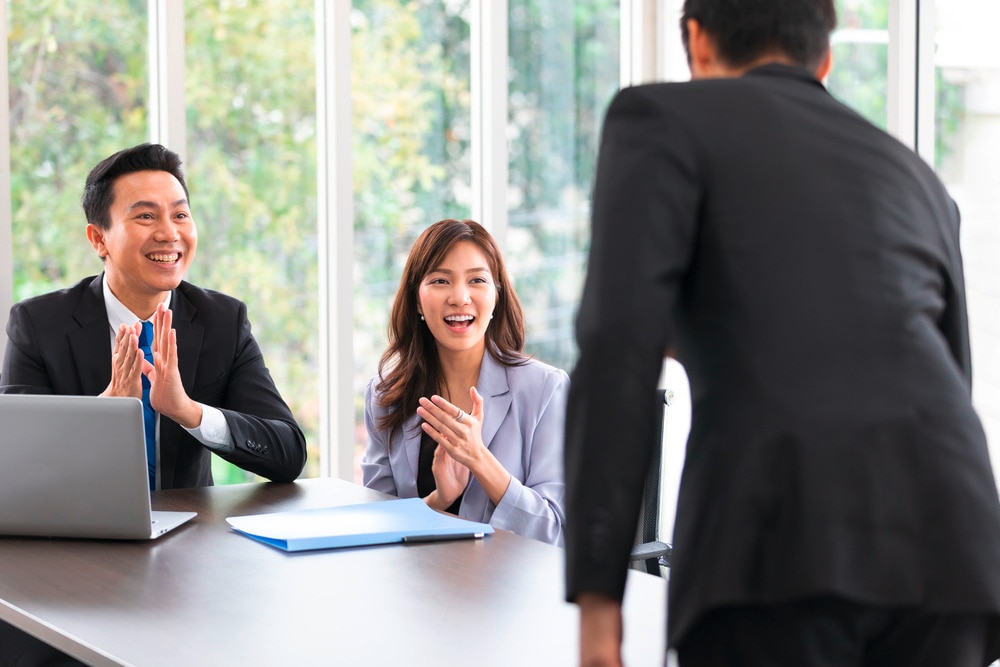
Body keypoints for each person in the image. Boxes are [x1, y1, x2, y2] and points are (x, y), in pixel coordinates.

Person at [563, 1, 1000, 666]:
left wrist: (599, 606)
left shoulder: (660, 118)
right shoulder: (913, 175)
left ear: (697, 41)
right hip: (955, 546)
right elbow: (949, 373)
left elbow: (620, 342)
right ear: (823, 57)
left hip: (776, 541)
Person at [1, 143, 307, 489]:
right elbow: (15, 459)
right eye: (146, 216)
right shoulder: (39, 325)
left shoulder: (223, 320)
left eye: (180, 215)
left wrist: (189, 412)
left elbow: (288, 453)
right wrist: (103, 415)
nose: (169, 233)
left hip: (189, 535)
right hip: (77, 535)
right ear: (98, 238)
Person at [362, 218, 567, 545]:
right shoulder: (385, 394)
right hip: (413, 585)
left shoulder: (546, 389)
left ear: (496, 295)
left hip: (511, 588)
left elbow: (555, 532)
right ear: (417, 299)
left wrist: (479, 459)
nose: (459, 297)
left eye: (477, 280)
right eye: (441, 280)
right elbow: (376, 528)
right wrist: (440, 500)